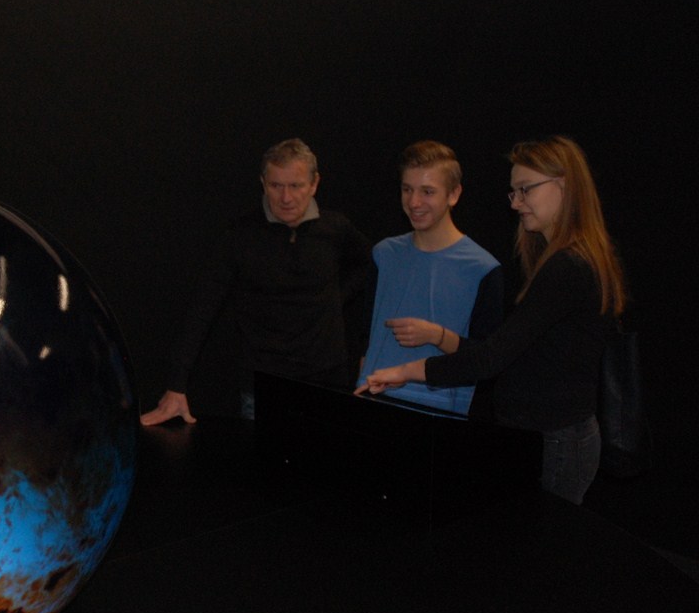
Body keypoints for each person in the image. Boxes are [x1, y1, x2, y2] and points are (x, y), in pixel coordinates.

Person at [358, 135, 625, 505]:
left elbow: (491, 359)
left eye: (526, 190)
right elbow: (507, 355)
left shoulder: (567, 266)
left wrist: (406, 371)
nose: (516, 203)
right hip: (544, 435)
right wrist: (440, 338)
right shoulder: (560, 259)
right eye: (514, 192)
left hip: (557, 440)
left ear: (563, 186)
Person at [141, 138, 370, 425]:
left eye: (296, 186)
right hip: (263, 385)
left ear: (314, 184)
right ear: (263, 183)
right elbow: (203, 308)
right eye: (276, 186)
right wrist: (176, 384)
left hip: (328, 381)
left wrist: (336, 298)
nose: (286, 198)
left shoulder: (335, 228)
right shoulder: (240, 236)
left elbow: (369, 266)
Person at [357, 141, 503, 415]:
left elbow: (486, 357)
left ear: (453, 194)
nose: (414, 202)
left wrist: (436, 336)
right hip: (375, 394)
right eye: (407, 189)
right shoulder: (384, 254)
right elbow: (368, 334)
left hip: (438, 410)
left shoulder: (482, 268)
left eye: (427, 191)